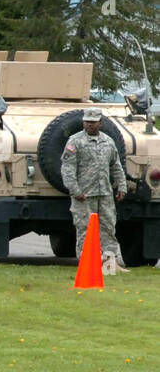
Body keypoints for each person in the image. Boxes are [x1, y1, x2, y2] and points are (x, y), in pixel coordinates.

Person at [62, 107, 127, 268]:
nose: (89, 124)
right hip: (84, 195)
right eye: (87, 121)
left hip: (104, 193)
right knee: (85, 229)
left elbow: (116, 166)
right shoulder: (75, 141)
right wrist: (75, 190)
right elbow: (68, 169)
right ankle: (87, 264)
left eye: (93, 122)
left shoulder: (108, 141)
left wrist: (122, 186)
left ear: (100, 123)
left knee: (108, 228)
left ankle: (109, 264)